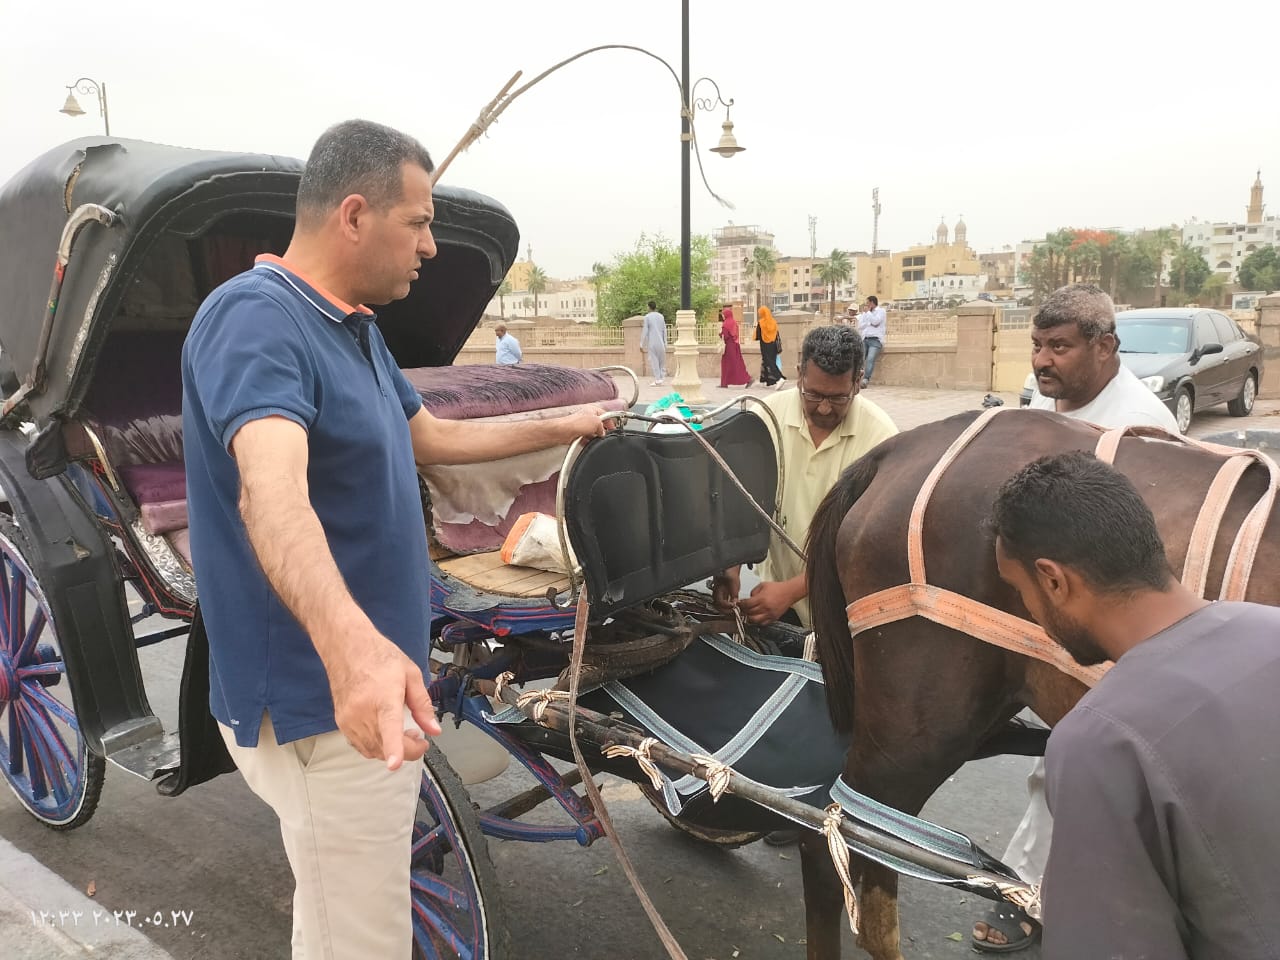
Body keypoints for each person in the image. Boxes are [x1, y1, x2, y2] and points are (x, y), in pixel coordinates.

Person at [182, 119, 605, 960]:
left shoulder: (353, 327)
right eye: (417, 222)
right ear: (352, 215)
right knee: (360, 942)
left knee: (340, 920)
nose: (432, 246)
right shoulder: (257, 321)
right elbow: (272, 495)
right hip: (324, 707)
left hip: (371, 695)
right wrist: (356, 656)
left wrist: (575, 423)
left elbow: (432, 438)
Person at [989, 452, 1280, 960]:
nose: (1029, 612)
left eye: (1021, 593)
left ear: (1053, 580)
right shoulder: (1270, 626)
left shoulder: (1100, 743)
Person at [972, 282, 1178, 952]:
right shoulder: (1046, 405)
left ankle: (1035, 893)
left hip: (1111, 616)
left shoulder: (1147, 428)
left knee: (1079, 751)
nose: (1042, 360)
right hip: (1049, 604)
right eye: (1037, 345)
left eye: (1059, 346)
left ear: (1105, 346)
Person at [712, 325, 897, 630]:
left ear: (858, 383)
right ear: (799, 374)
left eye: (838, 398)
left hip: (845, 612)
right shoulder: (764, 418)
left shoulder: (881, 439)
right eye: (812, 394)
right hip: (774, 597)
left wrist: (793, 590)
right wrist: (729, 565)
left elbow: (871, 549)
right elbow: (739, 500)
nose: (823, 408)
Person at [855, 295, 886, 387]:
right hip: (865, 339)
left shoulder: (881, 311)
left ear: (872, 303)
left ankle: (865, 379)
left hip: (875, 340)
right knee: (860, 359)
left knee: (870, 359)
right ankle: (856, 379)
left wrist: (868, 314)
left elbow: (876, 322)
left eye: (867, 303)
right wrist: (869, 321)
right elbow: (861, 326)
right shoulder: (866, 313)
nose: (866, 305)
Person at [718, 306, 753, 388]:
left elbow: (726, 336)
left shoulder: (726, 323)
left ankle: (747, 379)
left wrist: (720, 334)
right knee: (737, 363)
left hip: (729, 347)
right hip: (735, 345)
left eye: (723, 315)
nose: (722, 316)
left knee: (730, 365)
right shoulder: (733, 322)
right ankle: (725, 383)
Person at [755, 304, 784, 387]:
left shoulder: (761, 323)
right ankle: (765, 380)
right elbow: (776, 333)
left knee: (769, 362)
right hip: (773, 345)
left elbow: (758, 335)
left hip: (765, 345)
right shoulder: (773, 321)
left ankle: (779, 378)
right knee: (768, 361)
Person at [641, 299, 667, 386]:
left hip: (652, 342)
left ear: (649, 307)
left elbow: (645, 330)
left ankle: (657, 379)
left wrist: (641, 343)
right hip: (661, 343)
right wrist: (665, 343)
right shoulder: (661, 316)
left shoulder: (647, 317)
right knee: (661, 362)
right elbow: (664, 330)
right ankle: (661, 378)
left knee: (654, 361)